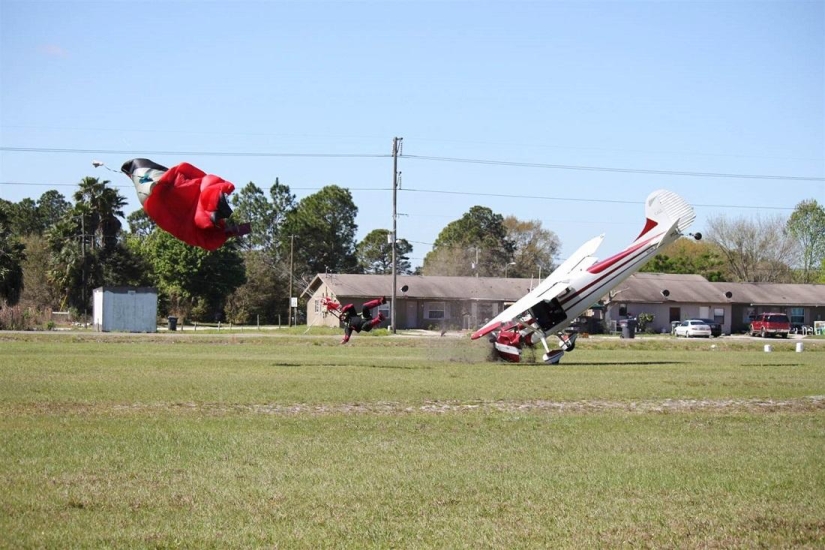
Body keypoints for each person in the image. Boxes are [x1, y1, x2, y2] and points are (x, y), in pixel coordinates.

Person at [322, 296, 386, 344]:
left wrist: (343, 310)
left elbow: (351, 305)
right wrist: (344, 340)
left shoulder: (351, 314)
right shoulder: (348, 327)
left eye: (342, 316)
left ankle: (380, 301)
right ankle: (379, 318)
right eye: (341, 318)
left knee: (364, 306)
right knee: (364, 326)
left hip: (365, 317)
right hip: (365, 325)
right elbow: (347, 336)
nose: (343, 317)